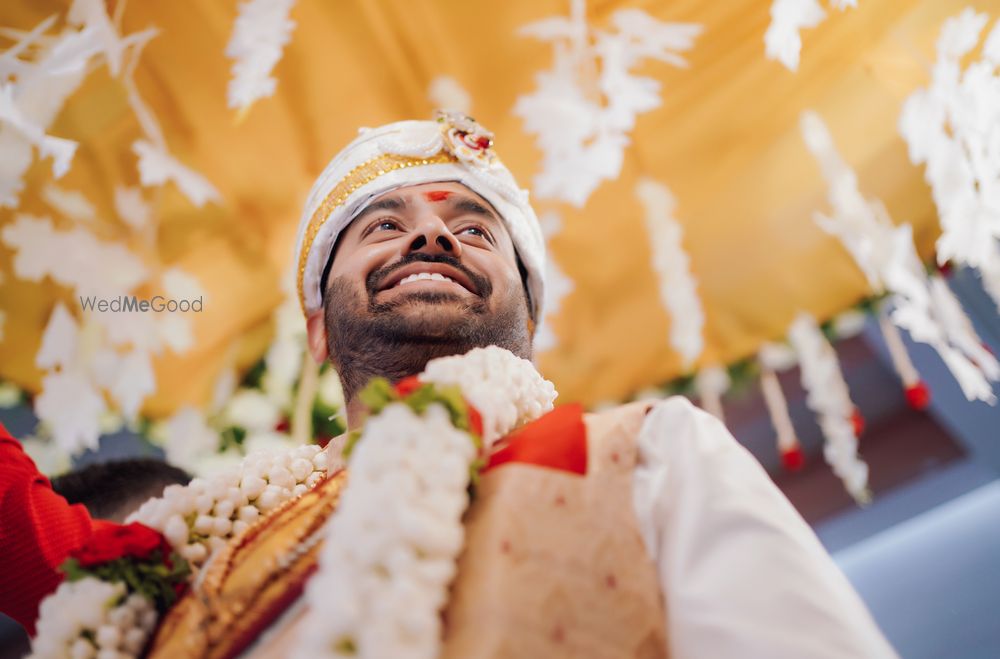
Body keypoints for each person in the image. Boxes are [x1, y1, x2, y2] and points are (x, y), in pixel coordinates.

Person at [148, 111, 897, 658]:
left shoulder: (650, 447)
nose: (432, 235)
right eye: (382, 225)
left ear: (529, 315)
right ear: (317, 327)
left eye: (474, 230)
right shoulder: (220, 550)